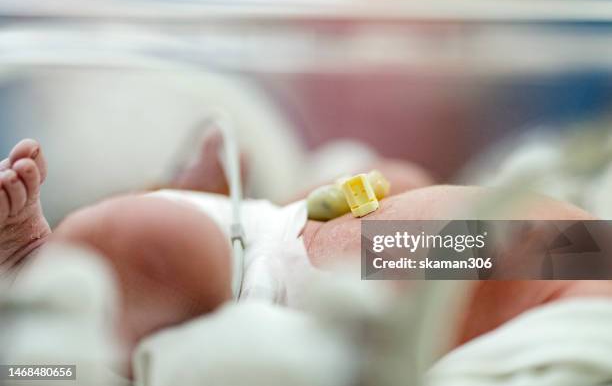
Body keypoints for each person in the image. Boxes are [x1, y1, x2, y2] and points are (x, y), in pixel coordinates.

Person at [0, 137, 610, 362]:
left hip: (266, 285)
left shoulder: (589, 306)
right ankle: (176, 201)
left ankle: (37, 261)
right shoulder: (593, 256)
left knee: (157, 242)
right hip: (304, 220)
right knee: (396, 173)